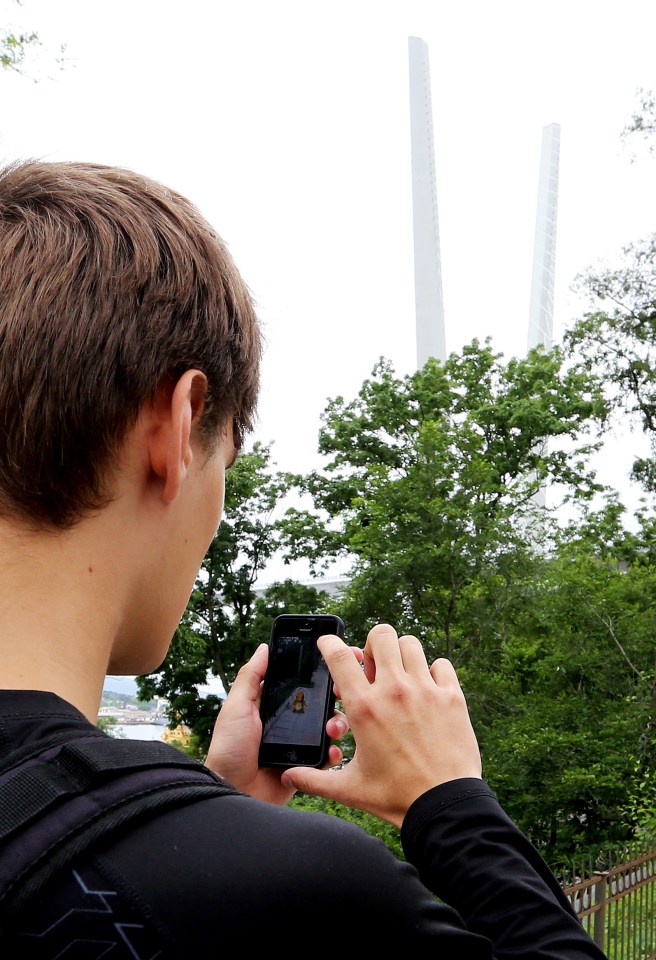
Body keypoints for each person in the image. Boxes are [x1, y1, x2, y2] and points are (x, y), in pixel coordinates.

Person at [0, 158, 606, 958]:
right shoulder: (305, 894)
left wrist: (195, 811)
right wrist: (451, 802)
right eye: (228, 459)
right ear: (179, 428)